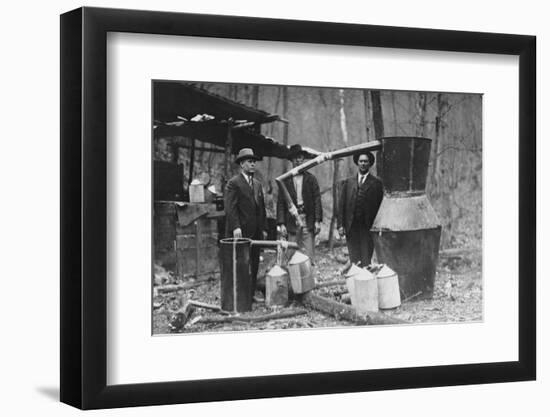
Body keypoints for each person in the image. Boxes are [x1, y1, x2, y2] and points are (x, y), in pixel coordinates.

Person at [224, 148, 268, 300]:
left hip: (256, 232)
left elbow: (261, 208)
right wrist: (236, 226)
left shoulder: (257, 184)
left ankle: (250, 293)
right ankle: (238, 295)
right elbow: (230, 207)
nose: (253, 164)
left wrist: (264, 228)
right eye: (249, 161)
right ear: (242, 164)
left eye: (254, 161)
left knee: (254, 263)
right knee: (240, 264)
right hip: (240, 232)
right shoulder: (233, 183)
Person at [277, 144, 322, 264]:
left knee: (309, 254)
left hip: (307, 219)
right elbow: (281, 202)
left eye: (301, 157)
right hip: (292, 220)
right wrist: (281, 223)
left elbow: (317, 199)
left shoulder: (311, 179)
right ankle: (291, 280)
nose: (299, 160)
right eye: (296, 158)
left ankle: (309, 280)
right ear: (291, 160)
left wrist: (317, 220)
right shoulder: (285, 180)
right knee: (290, 252)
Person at [337, 151, 383, 267]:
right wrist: (340, 225)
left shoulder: (376, 183)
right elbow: (341, 205)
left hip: (367, 228)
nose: (363, 164)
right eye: (361, 161)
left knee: (366, 259)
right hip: (351, 227)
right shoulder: (348, 182)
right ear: (357, 163)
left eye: (365, 161)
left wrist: (378, 227)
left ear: (370, 164)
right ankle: (355, 283)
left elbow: (380, 207)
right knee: (354, 259)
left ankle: (366, 282)